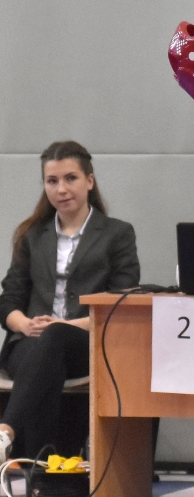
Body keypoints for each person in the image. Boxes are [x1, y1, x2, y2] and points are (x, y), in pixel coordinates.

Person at [0, 141, 139, 463]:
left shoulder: (117, 234)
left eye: (70, 178)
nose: (61, 189)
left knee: (56, 337)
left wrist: (64, 325)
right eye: (52, 181)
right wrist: (26, 324)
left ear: (89, 180)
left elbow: (119, 304)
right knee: (45, 350)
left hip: (86, 341)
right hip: (29, 343)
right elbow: (8, 299)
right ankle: (46, 474)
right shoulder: (32, 235)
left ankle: (7, 431)